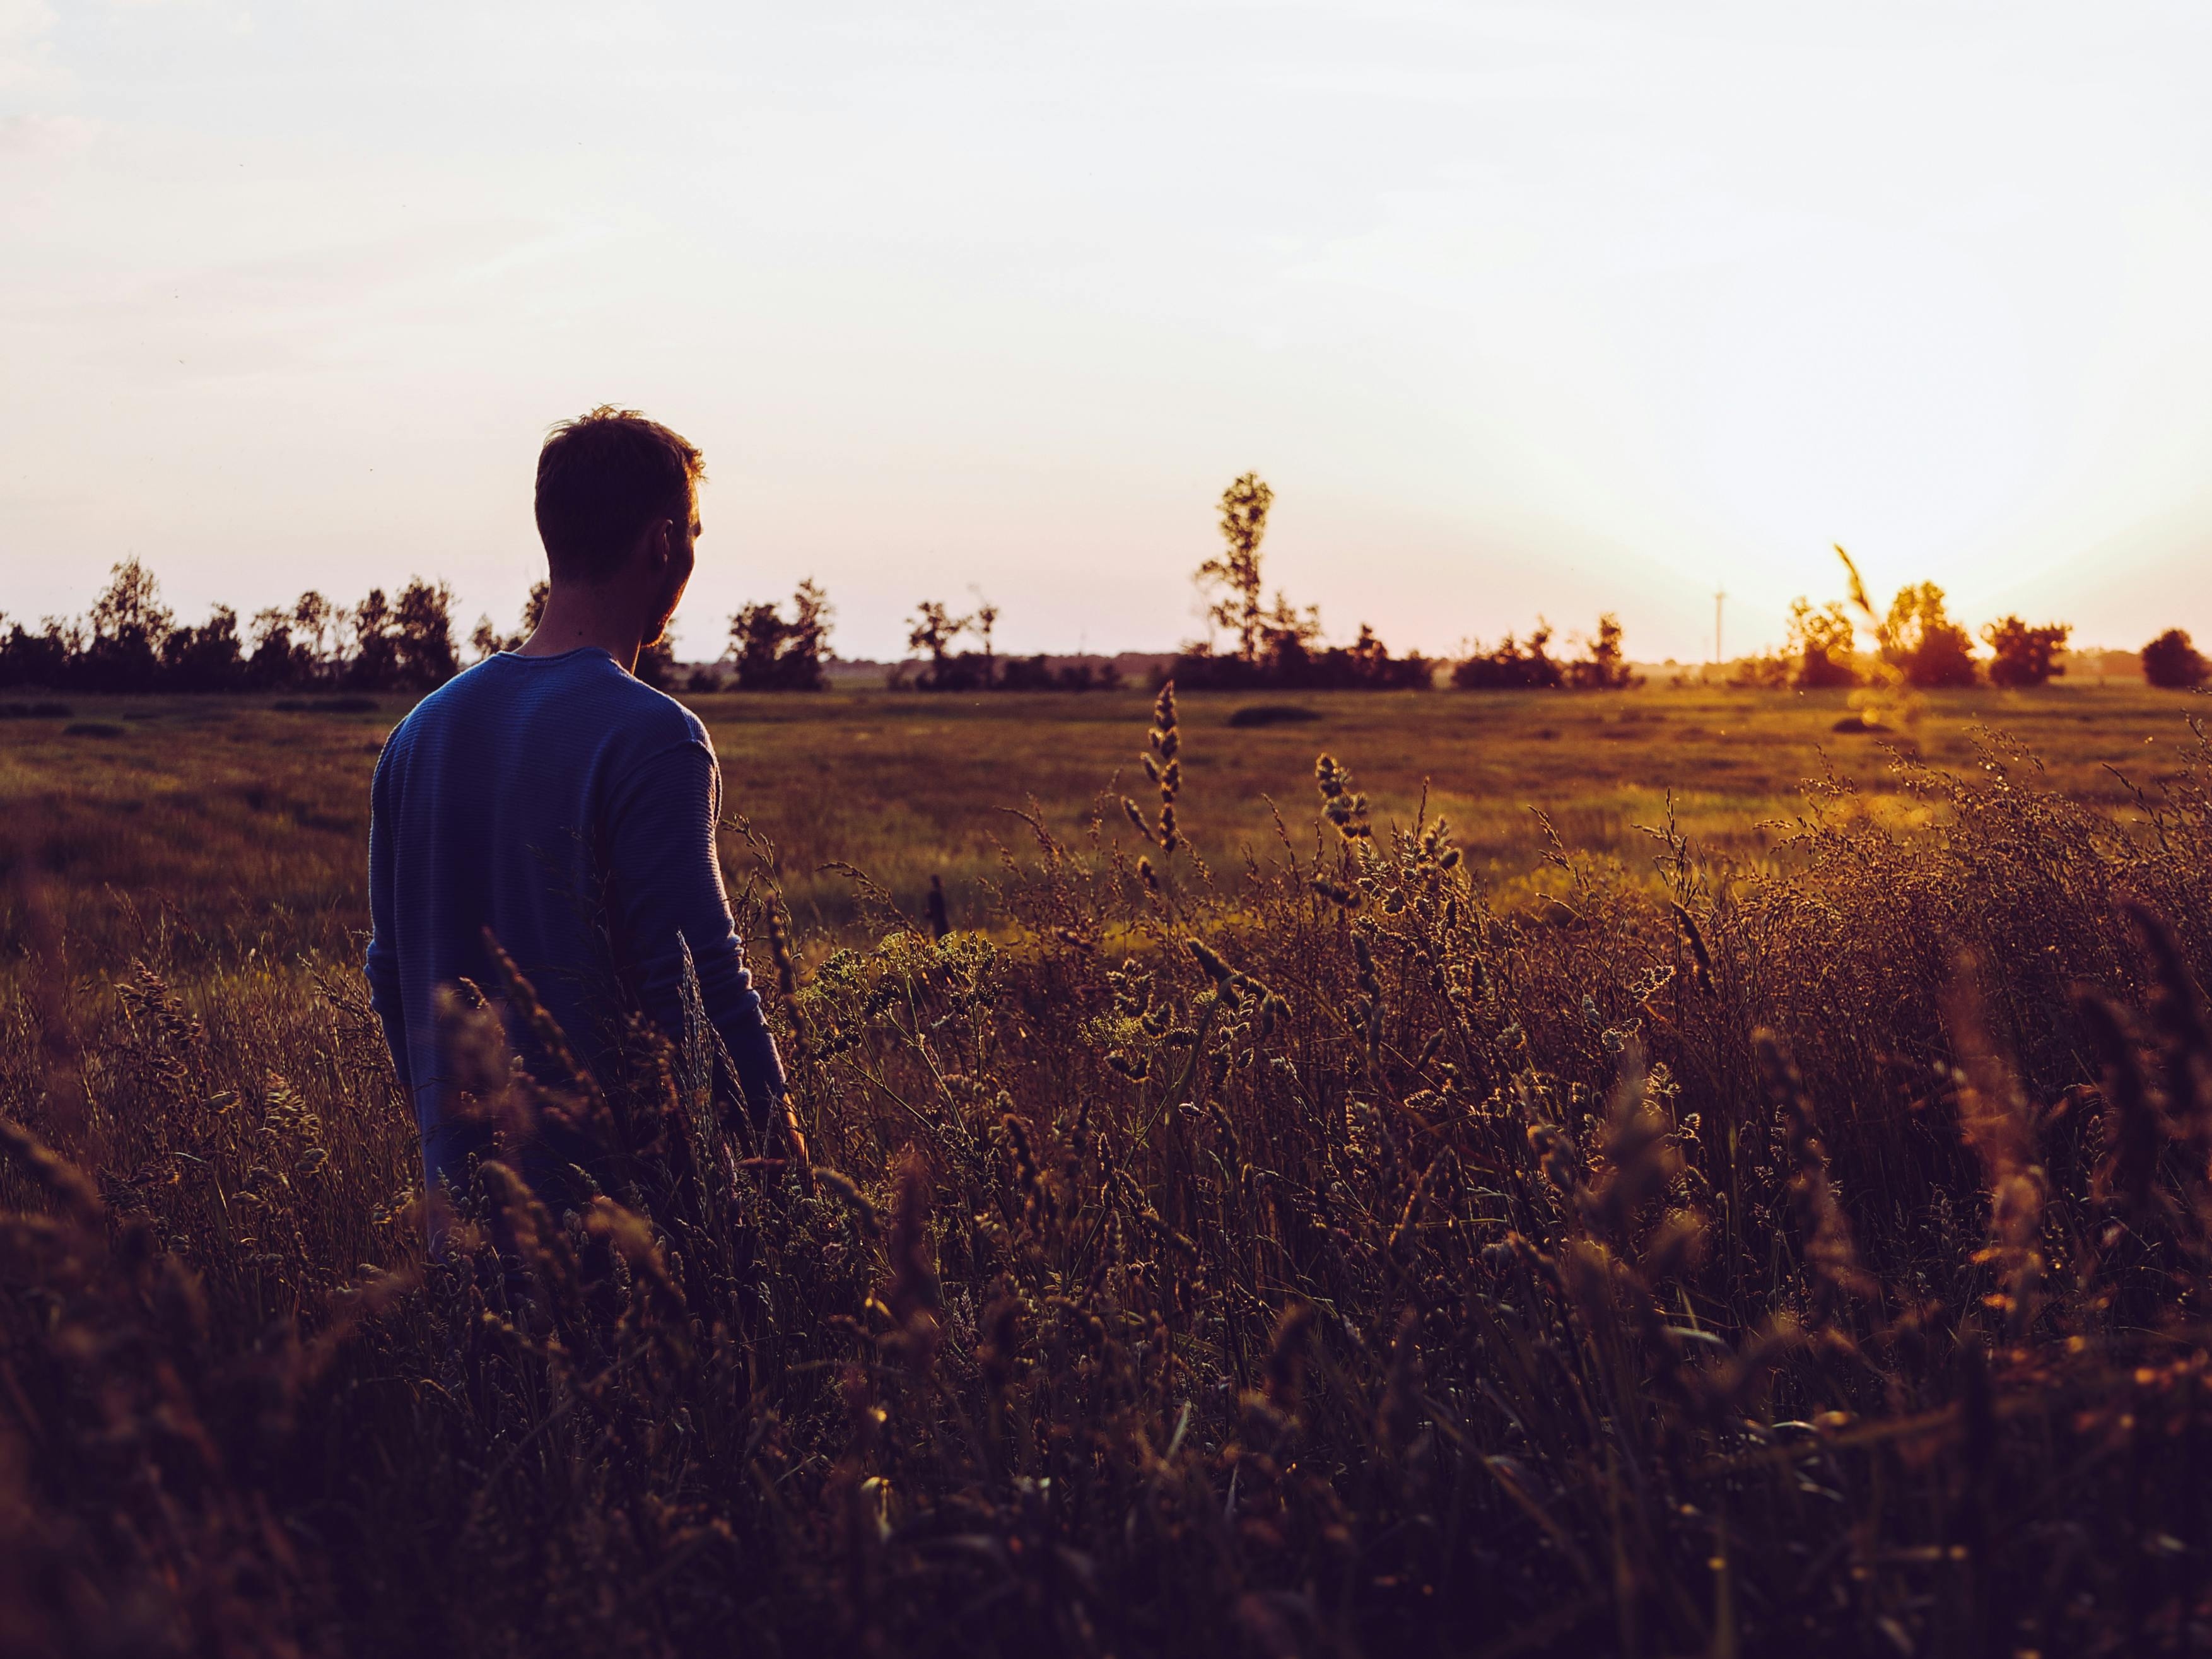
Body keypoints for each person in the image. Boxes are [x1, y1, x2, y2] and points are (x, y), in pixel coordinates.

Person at [365, 406, 783, 1230]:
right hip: (628, 1242)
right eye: (694, 532)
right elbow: (700, 990)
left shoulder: (416, 736)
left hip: (472, 1237)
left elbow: (391, 974)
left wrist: (449, 1143)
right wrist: (797, 1188)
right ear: (664, 542)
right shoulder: (654, 736)